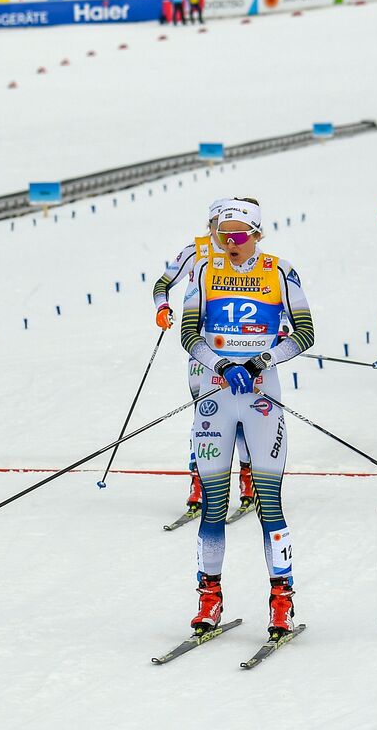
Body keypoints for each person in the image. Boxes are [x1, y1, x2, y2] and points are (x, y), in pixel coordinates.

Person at [179, 200, 314, 639]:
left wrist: (258, 362)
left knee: (269, 505)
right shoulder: (204, 271)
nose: (229, 244)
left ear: (257, 234)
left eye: (238, 236)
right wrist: (220, 365)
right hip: (216, 400)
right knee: (213, 506)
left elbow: (306, 334)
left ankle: (281, 601)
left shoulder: (279, 271)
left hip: (261, 401)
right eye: (223, 235)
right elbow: (188, 333)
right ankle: (209, 598)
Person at [152, 198, 255, 519]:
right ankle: (200, 490)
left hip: (242, 348)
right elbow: (162, 283)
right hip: (202, 349)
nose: (223, 234)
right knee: (205, 417)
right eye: (217, 225)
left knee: (245, 417)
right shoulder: (195, 251)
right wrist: (162, 307)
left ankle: (249, 486)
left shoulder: (246, 255)